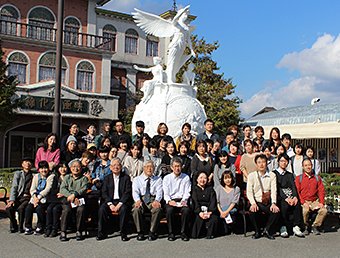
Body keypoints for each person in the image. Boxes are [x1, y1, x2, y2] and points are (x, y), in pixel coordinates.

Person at [97, 158, 132, 241]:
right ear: (110, 167)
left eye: (118, 165)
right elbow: (104, 193)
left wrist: (120, 204)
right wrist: (110, 204)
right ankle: (101, 233)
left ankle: (123, 233)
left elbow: (127, 192)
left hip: (121, 201)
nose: (116, 167)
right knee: (102, 209)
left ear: (121, 166)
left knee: (124, 209)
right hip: (110, 201)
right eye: (114, 165)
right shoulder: (107, 178)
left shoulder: (126, 178)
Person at [247, 154, 280, 240]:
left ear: (266, 163)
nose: (261, 164)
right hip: (256, 201)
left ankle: (267, 230)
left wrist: (273, 203)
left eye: (263, 162)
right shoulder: (251, 176)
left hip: (268, 201)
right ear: (256, 164)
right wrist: (253, 203)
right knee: (252, 211)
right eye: (259, 162)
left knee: (276, 211)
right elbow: (249, 192)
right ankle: (257, 231)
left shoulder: (272, 175)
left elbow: (274, 190)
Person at [272, 153, 304, 238]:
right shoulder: (274, 174)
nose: (284, 163)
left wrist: (295, 197)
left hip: (290, 195)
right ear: (278, 162)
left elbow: (293, 187)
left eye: (286, 161)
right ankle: (283, 227)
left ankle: (296, 226)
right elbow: (277, 188)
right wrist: (286, 198)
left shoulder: (290, 175)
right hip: (279, 196)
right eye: (282, 161)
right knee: (284, 205)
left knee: (297, 204)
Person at [132, 160, 163, 241]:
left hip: (152, 198)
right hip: (141, 198)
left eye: (151, 167)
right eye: (147, 167)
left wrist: (157, 200)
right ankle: (140, 232)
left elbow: (160, 192)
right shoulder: (137, 179)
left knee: (157, 209)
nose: (149, 169)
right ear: (144, 168)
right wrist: (138, 200)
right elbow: (135, 192)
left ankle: (152, 232)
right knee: (136, 209)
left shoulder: (158, 179)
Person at [295, 158, 327, 235]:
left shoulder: (317, 178)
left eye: (309, 165)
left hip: (314, 200)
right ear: (303, 167)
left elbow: (321, 191)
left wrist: (321, 202)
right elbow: (297, 192)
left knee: (324, 211)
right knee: (304, 211)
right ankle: (305, 226)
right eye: (305, 165)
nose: (308, 167)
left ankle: (315, 226)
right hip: (304, 200)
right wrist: (303, 202)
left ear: (312, 166)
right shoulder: (299, 178)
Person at [59, 159, 89, 241]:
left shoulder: (84, 179)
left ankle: (79, 230)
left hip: (79, 199)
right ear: (71, 168)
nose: (76, 169)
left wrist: (75, 195)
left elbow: (83, 189)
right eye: (74, 167)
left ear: (81, 168)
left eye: (78, 167)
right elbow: (62, 189)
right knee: (66, 210)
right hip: (68, 199)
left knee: (81, 209)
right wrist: (70, 196)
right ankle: (63, 231)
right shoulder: (67, 177)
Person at [163, 157, 191, 241]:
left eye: (179, 166)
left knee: (186, 210)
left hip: (182, 199)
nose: (177, 168)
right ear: (171, 167)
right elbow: (166, 193)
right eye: (175, 166)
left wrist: (184, 200)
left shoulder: (186, 177)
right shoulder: (167, 178)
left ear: (181, 166)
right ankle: (171, 233)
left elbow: (187, 191)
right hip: (171, 200)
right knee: (169, 210)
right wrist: (169, 201)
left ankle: (183, 232)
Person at [24, 161, 55, 235]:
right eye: (41, 168)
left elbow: (47, 189)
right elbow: (32, 188)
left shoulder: (51, 176)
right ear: (39, 169)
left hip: (45, 198)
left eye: (45, 168)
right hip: (34, 198)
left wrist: (38, 198)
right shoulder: (36, 176)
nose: (44, 170)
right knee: (28, 208)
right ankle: (28, 227)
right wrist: (34, 197)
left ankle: (40, 226)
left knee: (39, 208)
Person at [6, 158, 34, 233]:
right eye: (25, 162)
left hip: (27, 197)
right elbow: (14, 186)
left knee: (21, 208)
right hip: (18, 197)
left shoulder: (34, 175)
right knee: (9, 209)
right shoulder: (18, 174)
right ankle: (14, 224)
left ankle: (20, 226)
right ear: (22, 164)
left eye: (29, 162)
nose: (27, 163)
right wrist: (12, 200)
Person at [191, 171, 218, 239]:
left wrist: (210, 212)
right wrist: (200, 212)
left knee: (214, 218)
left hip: (209, 210)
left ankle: (210, 234)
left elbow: (213, 201)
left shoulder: (210, 189)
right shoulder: (194, 189)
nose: (202, 180)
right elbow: (195, 202)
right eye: (201, 178)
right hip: (198, 211)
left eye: (205, 178)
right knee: (197, 219)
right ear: (197, 179)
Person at [44, 162, 68, 238]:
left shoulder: (69, 177)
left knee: (55, 209)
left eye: (64, 167)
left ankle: (55, 228)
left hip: (64, 199)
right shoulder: (55, 177)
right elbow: (52, 190)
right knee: (49, 208)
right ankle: (48, 228)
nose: (63, 169)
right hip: (55, 199)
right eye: (61, 167)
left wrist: (63, 193)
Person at [215, 170, 240, 235]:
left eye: (229, 178)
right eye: (225, 178)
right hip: (221, 211)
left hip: (231, 210)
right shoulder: (219, 188)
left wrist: (226, 212)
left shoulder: (236, 189)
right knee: (224, 231)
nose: (227, 180)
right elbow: (217, 202)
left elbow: (234, 202)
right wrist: (221, 212)